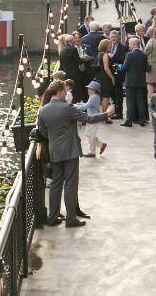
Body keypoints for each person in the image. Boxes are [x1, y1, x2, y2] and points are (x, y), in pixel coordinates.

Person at [35, 80, 114, 228]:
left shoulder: (43, 111)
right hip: (70, 151)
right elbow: (89, 119)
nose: (66, 93)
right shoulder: (67, 107)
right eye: (64, 91)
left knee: (56, 184)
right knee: (71, 185)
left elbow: (43, 132)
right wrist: (106, 114)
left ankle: (52, 217)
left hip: (54, 151)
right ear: (59, 92)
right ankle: (71, 219)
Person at [119, 37, 148, 127]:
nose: (128, 45)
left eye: (129, 43)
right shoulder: (143, 54)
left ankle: (129, 120)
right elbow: (146, 67)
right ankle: (142, 119)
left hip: (131, 81)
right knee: (140, 101)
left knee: (130, 101)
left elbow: (125, 68)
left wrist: (119, 66)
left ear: (133, 44)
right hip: (141, 81)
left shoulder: (129, 55)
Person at [74, 81, 107, 157]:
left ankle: (92, 152)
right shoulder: (93, 96)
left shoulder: (94, 97)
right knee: (89, 134)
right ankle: (101, 144)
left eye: (89, 89)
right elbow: (86, 104)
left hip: (93, 118)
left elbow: (86, 106)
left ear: (94, 90)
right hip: (91, 118)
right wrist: (78, 104)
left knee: (90, 135)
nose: (88, 90)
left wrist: (75, 107)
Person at [107, 30, 126, 120]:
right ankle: (113, 111)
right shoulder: (108, 46)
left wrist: (113, 57)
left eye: (115, 37)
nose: (114, 38)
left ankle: (119, 113)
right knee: (112, 93)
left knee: (118, 93)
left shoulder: (123, 47)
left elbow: (124, 59)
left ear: (118, 37)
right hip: (110, 73)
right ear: (109, 38)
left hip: (119, 73)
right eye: (112, 37)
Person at [96, 39, 114, 116]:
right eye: (109, 44)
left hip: (101, 76)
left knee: (104, 96)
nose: (110, 45)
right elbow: (106, 68)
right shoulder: (105, 55)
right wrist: (112, 77)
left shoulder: (99, 54)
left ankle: (104, 115)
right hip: (106, 77)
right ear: (105, 46)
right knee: (106, 96)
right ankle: (105, 115)